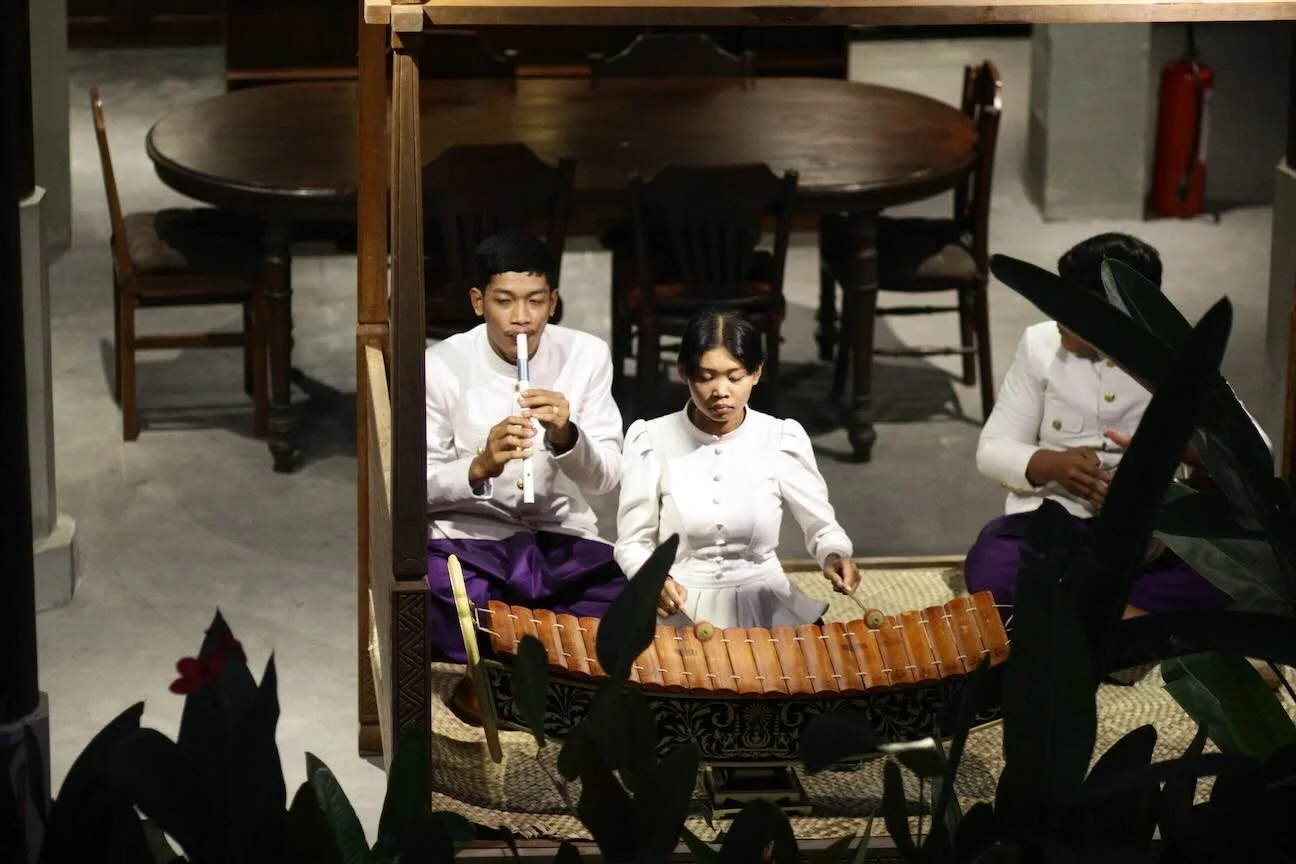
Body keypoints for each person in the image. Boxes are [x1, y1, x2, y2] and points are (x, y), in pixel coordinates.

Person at [965, 232, 1271, 623]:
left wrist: (1185, 450)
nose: (1058, 316)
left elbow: (1255, 449)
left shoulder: (1178, 352)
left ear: (1121, 311)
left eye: (1074, 308)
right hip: (1062, 523)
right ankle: (1134, 628)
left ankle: (1083, 622)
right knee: (992, 562)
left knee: (1234, 574)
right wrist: (1050, 465)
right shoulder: (1039, 345)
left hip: (1157, 536)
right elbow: (993, 448)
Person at [424, 230, 628, 668]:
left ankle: (526, 665)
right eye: (504, 301)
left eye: (535, 301)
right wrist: (479, 465)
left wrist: (566, 436)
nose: (521, 317)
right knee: (444, 596)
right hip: (472, 536)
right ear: (478, 301)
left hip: (559, 534)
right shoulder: (439, 365)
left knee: (626, 602)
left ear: (553, 302)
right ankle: (543, 663)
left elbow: (608, 477)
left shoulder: (587, 355)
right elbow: (415, 488)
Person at [614, 308, 861, 630]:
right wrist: (651, 579)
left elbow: (821, 527)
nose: (721, 391)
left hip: (767, 598)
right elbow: (632, 542)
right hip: (682, 603)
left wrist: (834, 555)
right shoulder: (649, 439)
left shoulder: (782, 438)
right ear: (683, 372)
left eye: (735, 377)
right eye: (705, 377)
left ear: (757, 372)